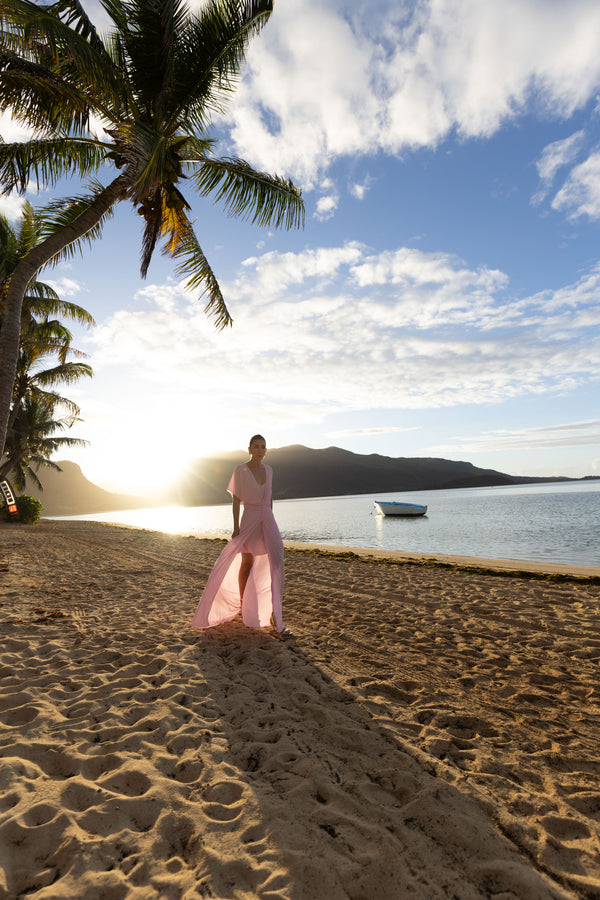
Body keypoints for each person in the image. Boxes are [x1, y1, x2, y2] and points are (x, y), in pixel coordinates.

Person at [191, 435, 292, 638]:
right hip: (249, 518)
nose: (260, 450)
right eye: (256, 446)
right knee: (247, 560)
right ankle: (246, 605)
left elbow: (270, 497)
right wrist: (236, 527)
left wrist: (270, 520)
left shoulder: (270, 470)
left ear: (266, 450)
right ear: (249, 449)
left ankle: (275, 614)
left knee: (276, 562)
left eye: (263, 447)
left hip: (267, 519)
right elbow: (236, 500)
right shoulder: (241, 470)